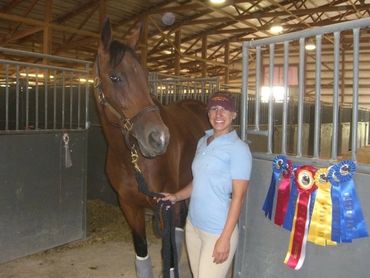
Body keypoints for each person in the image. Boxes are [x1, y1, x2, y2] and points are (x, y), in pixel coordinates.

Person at [161, 91, 252, 278]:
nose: (219, 114)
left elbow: (239, 197)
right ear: (208, 114)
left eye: (225, 109)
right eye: (214, 109)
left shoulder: (239, 149)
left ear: (234, 114)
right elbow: (198, 181)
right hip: (193, 226)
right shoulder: (203, 142)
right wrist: (176, 196)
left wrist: (224, 239)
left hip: (217, 231)